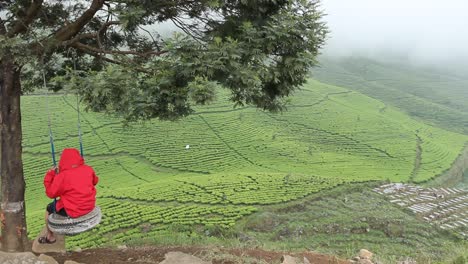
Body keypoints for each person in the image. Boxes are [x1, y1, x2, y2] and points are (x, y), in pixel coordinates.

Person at [39, 148, 99, 244]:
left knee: (49, 208)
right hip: (89, 206)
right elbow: (95, 181)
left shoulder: (62, 176)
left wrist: (50, 175)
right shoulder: (88, 169)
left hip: (73, 210)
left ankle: (50, 237)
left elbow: (51, 193)